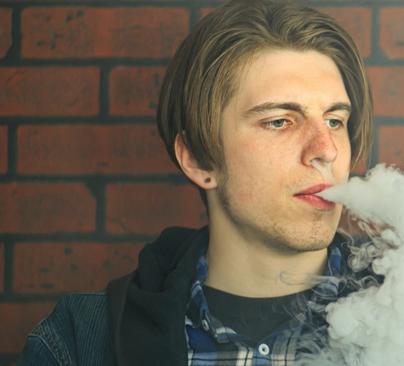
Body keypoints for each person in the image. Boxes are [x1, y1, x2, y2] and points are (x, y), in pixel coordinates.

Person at [17, 0, 373, 365]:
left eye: (334, 121)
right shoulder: (79, 341)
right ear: (199, 160)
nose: (326, 151)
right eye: (279, 121)